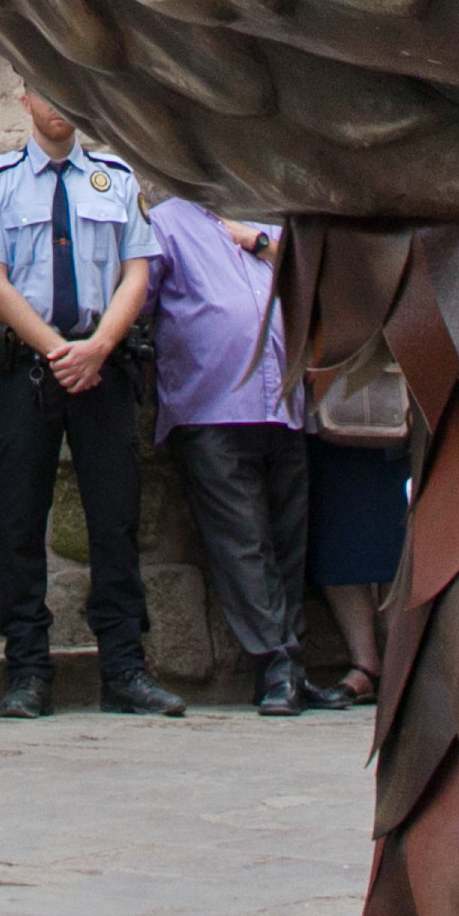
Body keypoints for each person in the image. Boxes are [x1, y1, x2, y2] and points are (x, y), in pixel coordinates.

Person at [0, 88, 177, 720]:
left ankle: (124, 669)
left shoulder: (116, 178)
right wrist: (60, 351)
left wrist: (100, 346)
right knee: (19, 516)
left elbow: (137, 270)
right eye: (46, 90)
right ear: (25, 99)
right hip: (31, 366)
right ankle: (27, 669)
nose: (62, 103)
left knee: (115, 517)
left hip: (104, 369)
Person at [143, 190, 306, 712]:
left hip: (284, 400)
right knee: (243, 540)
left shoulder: (273, 217)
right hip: (212, 403)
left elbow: (318, 284)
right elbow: (138, 302)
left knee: (290, 540)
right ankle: (277, 664)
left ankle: (293, 668)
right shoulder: (165, 223)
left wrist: (260, 241)